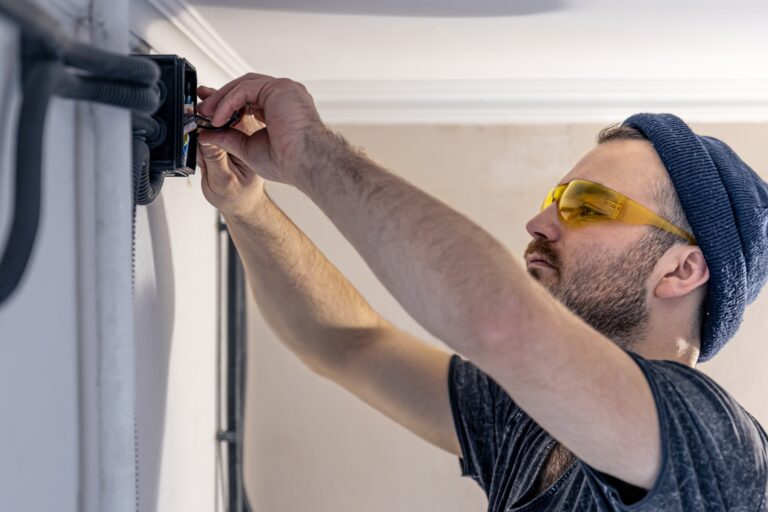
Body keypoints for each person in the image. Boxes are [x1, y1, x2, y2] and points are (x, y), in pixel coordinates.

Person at [195, 75, 768, 511]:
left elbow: (500, 323)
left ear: (680, 271)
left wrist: (310, 151)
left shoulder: (713, 443)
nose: (540, 221)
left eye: (588, 206)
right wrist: (246, 206)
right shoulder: (529, 422)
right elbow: (347, 344)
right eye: (554, 197)